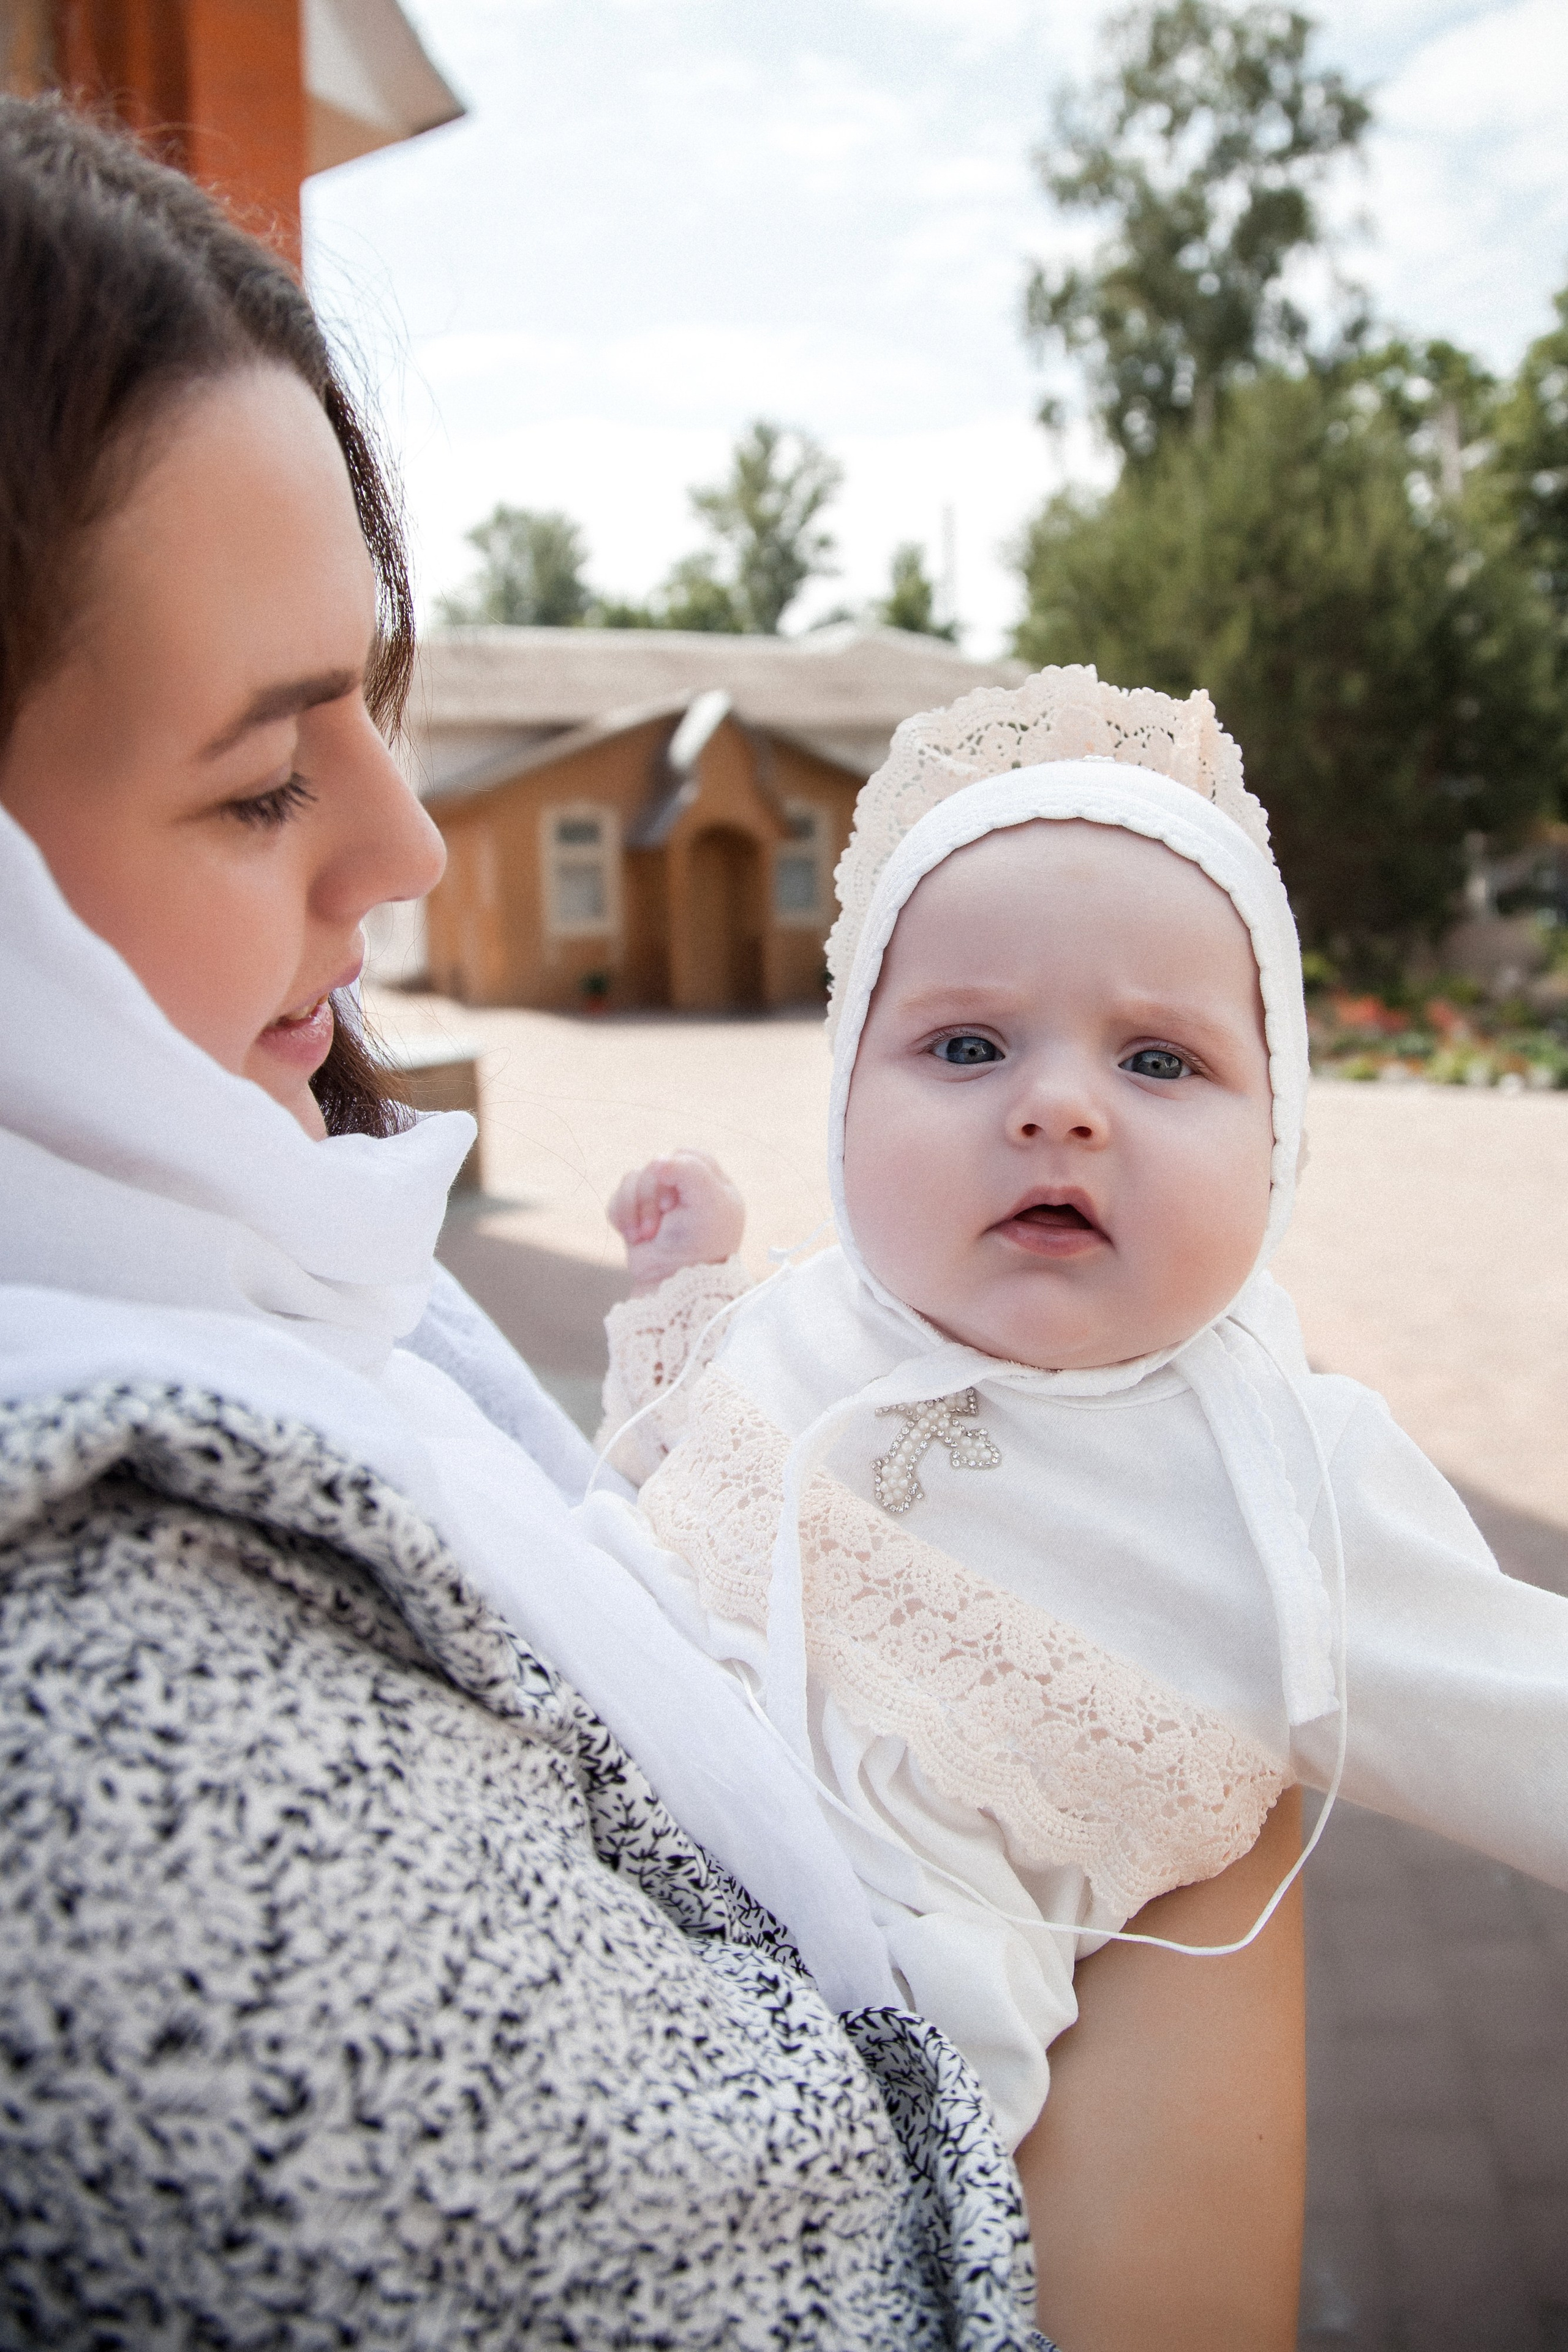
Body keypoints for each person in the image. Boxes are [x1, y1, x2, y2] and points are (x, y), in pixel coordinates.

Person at [0, 96, 1305, 2351]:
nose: (410, 850)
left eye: (383, 712)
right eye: (262, 777)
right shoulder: (133, 1796)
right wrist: (1251, 1837)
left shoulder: (264, 1260)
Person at [591, 671, 1568, 2163]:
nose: (1057, 1109)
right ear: (846, 1097)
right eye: (966, 1047)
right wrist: (685, 1290)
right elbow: (665, 1474)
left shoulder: (1280, 1477)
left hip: (810, 2092)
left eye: (1157, 1060)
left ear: (1278, 1139)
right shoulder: (814, 1312)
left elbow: (1528, 1717)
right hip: (564, 1829)